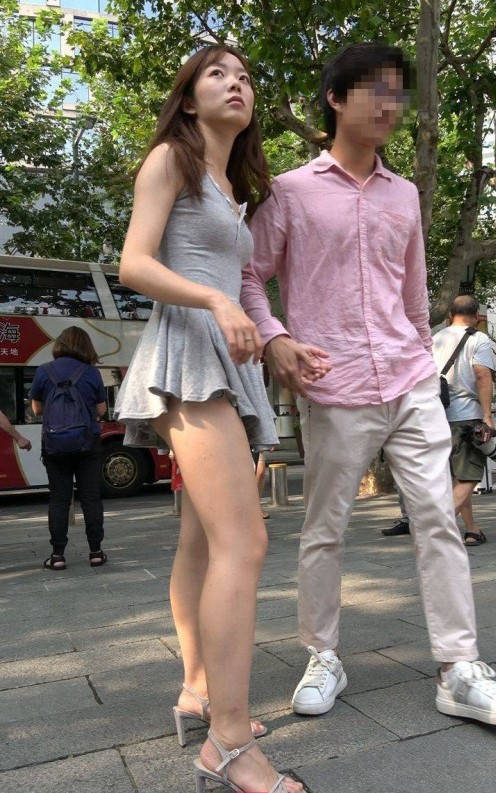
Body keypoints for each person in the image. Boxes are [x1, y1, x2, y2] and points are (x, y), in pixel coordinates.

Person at [241, 42, 496, 726]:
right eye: (376, 90)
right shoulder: (290, 192)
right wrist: (275, 337)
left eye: (398, 92)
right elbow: (248, 275)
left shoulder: (405, 194)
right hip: (334, 384)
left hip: (410, 380)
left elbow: (413, 295)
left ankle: (458, 666)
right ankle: (323, 654)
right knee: (325, 528)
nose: (391, 104)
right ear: (335, 98)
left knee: (439, 517)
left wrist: (421, 357)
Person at [113, 45, 326, 793]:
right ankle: (229, 744)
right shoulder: (169, 159)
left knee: (203, 538)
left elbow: (240, 284)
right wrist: (212, 299)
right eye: (218, 74)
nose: (236, 83)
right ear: (187, 96)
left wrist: (275, 341)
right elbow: (133, 263)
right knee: (247, 538)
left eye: (245, 76)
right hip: (185, 356)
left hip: (228, 365)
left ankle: (198, 689)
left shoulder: (232, 187)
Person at [30, 326, 107, 571]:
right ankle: (95, 552)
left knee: (59, 499)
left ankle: (57, 555)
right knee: (91, 497)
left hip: (55, 445)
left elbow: (37, 409)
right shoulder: (92, 373)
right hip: (88, 443)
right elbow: (101, 410)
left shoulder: (43, 371)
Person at [433, 295, 495, 546]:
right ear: (478, 316)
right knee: (469, 477)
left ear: (450, 314)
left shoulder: (435, 339)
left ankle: (472, 530)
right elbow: (482, 376)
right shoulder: (479, 340)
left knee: (458, 476)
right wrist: (487, 416)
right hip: (467, 416)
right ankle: (435, 531)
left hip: (438, 416)